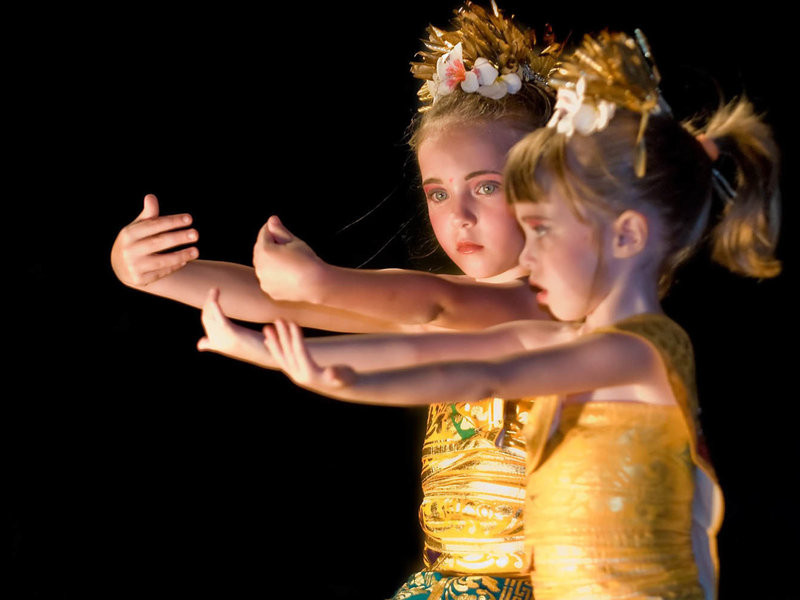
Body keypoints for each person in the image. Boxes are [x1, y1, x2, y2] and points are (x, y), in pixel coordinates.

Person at [220, 30, 780, 599]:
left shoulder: (635, 351)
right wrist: (290, 360)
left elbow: (479, 372)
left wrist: (322, 333)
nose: (527, 257)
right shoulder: (562, 339)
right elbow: (430, 352)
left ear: (625, 235)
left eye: (542, 230)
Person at [113, 3, 559, 598]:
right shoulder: (443, 302)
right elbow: (279, 302)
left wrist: (322, 283)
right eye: (437, 193)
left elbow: (434, 306)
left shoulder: (553, 308)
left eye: (485, 186)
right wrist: (154, 275)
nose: (459, 215)